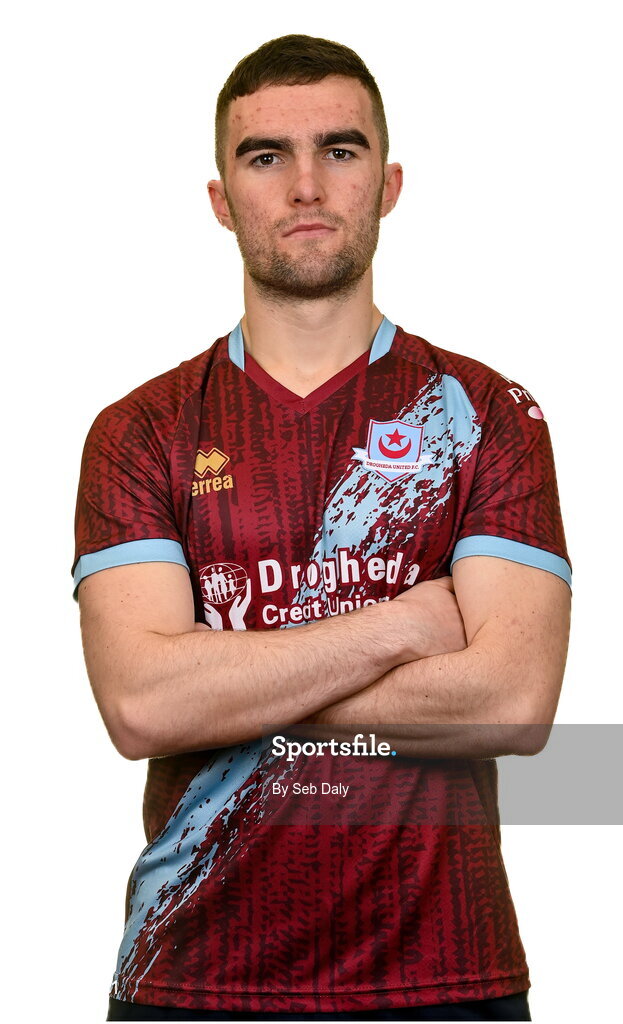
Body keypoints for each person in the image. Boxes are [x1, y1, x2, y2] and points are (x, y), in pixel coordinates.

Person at [72, 34, 571, 1023]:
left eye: (339, 150)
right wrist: (401, 626)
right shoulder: (140, 430)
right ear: (221, 199)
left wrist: (224, 685)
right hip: (193, 977)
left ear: (387, 184)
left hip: (445, 976)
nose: (305, 185)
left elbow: (514, 703)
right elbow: (140, 707)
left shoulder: (485, 413)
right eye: (266, 156)